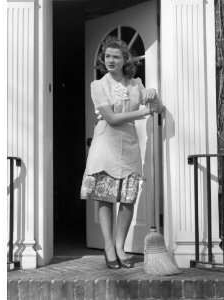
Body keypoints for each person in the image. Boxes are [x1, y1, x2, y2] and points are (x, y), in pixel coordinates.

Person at [80, 36, 163, 269]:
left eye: (116, 56)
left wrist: (153, 93)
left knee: (127, 200)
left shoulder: (137, 84)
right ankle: (108, 247)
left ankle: (120, 246)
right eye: (107, 56)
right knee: (105, 199)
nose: (110, 60)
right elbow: (112, 118)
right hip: (105, 145)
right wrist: (142, 113)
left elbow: (157, 108)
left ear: (125, 59)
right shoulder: (98, 86)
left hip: (129, 147)